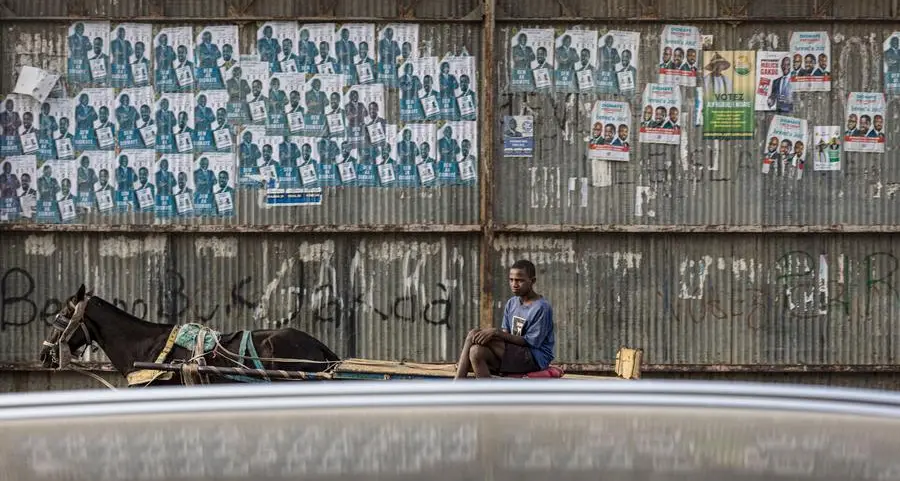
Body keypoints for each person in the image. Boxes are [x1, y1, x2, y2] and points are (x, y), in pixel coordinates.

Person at [454, 259, 554, 379]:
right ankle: (487, 394)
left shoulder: (541, 307)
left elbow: (530, 342)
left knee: (474, 333)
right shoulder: (512, 303)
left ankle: (458, 381)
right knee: (476, 351)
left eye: (519, 280)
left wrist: (496, 333)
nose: (514, 284)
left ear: (532, 281)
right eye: (511, 280)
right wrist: (497, 334)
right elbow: (506, 334)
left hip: (535, 358)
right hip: (514, 354)